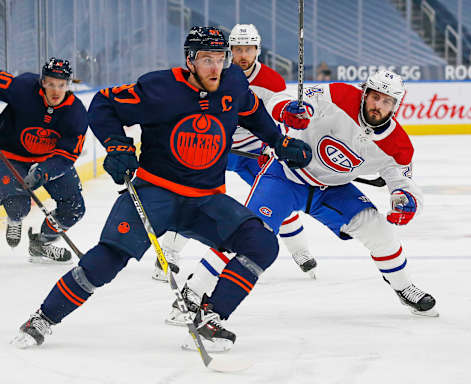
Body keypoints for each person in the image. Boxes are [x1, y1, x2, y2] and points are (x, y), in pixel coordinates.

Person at [11, 26, 311, 350]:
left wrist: (278, 141)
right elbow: (103, 104)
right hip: (154, 192)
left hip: (205, 199)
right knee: (106, 260)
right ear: (190, 60)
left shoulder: (233, 82)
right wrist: (118, 147)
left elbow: (251, 111)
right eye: (206, 59)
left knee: (262, 243)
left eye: (220, 59)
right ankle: (42, 318)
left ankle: (211, 319)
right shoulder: (160, 88)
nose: (215, 67)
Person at [175, 70, 439, 349]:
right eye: (375, 97)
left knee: (379, 230)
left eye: (387, 102)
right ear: (365, 93)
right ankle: (194, 291)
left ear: (396, 105)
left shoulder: (398, 145)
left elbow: (403, 182)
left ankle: (403, 287)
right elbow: (287, 99)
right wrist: (288, 110)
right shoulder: (339, 95)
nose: (378, 106)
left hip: (333, 190)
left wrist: (405, 200)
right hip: (286, 176)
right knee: (247, 234)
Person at [153, 23, 317, 285]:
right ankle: (169, 254)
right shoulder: (213, 74)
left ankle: (300, 251)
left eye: (248, 49)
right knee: (195, 196)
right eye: (237, 49)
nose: (243, 55)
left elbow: (280, 116)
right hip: (216, 147)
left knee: (276, 196)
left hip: (255, 149)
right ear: (229, 51)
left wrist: (273, 146)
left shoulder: (271, 81)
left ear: (258, 50)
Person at [0, 58, 87, 263]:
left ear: (68, 85)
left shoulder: (76, 113)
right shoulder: (22, 88)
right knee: (18, 204)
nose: (56, 91)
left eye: (61, 85)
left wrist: (43, 172)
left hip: (48, 160)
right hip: (11, 156)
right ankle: (15, 217)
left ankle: (41, 243)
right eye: (50, 83)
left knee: (74, 208)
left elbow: (68, 155)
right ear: (42, 82)